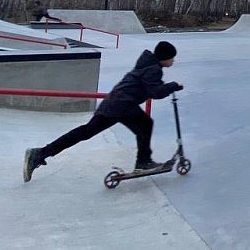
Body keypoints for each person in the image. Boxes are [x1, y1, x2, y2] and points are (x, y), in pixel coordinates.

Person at [23, 41, 183, 182]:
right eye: (171, 58)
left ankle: (40, 153)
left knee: (86, 132)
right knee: (145, 124)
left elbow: (149, 87)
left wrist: (164, 86)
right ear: (164, 57)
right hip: (123, 105)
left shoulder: (147, 65)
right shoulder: (153, 69)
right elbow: (155, 92)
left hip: (113, 104)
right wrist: (173, 86)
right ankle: (143, 162)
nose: (173, 61)